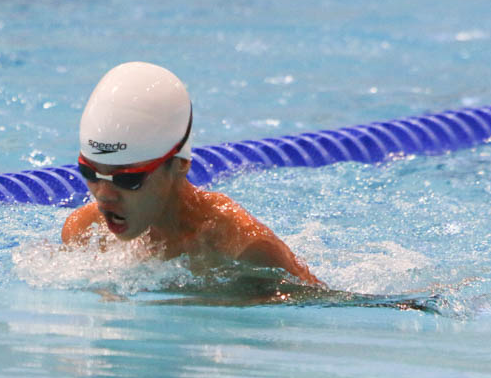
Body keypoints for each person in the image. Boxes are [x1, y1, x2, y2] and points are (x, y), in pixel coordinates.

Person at [62, 62, 326, 288]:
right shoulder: (84, 234)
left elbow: (320, 311)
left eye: (128, 179)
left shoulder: (245, 249)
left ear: (180, 164)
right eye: (90, 172)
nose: (103, 196)